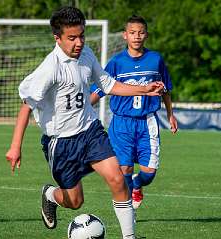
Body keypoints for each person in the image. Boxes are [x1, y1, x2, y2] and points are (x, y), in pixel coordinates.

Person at [5, 7, 166, 239]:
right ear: (57, 38)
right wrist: (15, 146)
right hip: (61, 143)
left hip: (90, 131)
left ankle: (129, 237)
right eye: (71, 38)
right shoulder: (50, 67)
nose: (78, 42)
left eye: (81, 35)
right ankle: (51, 195)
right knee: (74, 201)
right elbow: (26, 106)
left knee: (118, 178)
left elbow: (108, 85)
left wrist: (144, 89)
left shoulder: (87, 54)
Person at [90, 15, 178, 210]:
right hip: (121, 124)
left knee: (149, 172)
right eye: (132, 33)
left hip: (147, 122)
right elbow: (100, 89)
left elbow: (166, 89)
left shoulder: (156, 60)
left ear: (146, 35)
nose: (136, 36)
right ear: (124, 36)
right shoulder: (116, 62)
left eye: (141, 32)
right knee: (124, 169)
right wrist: (84, 108)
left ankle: (138, 184)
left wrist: (171, 115)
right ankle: (128, 212)